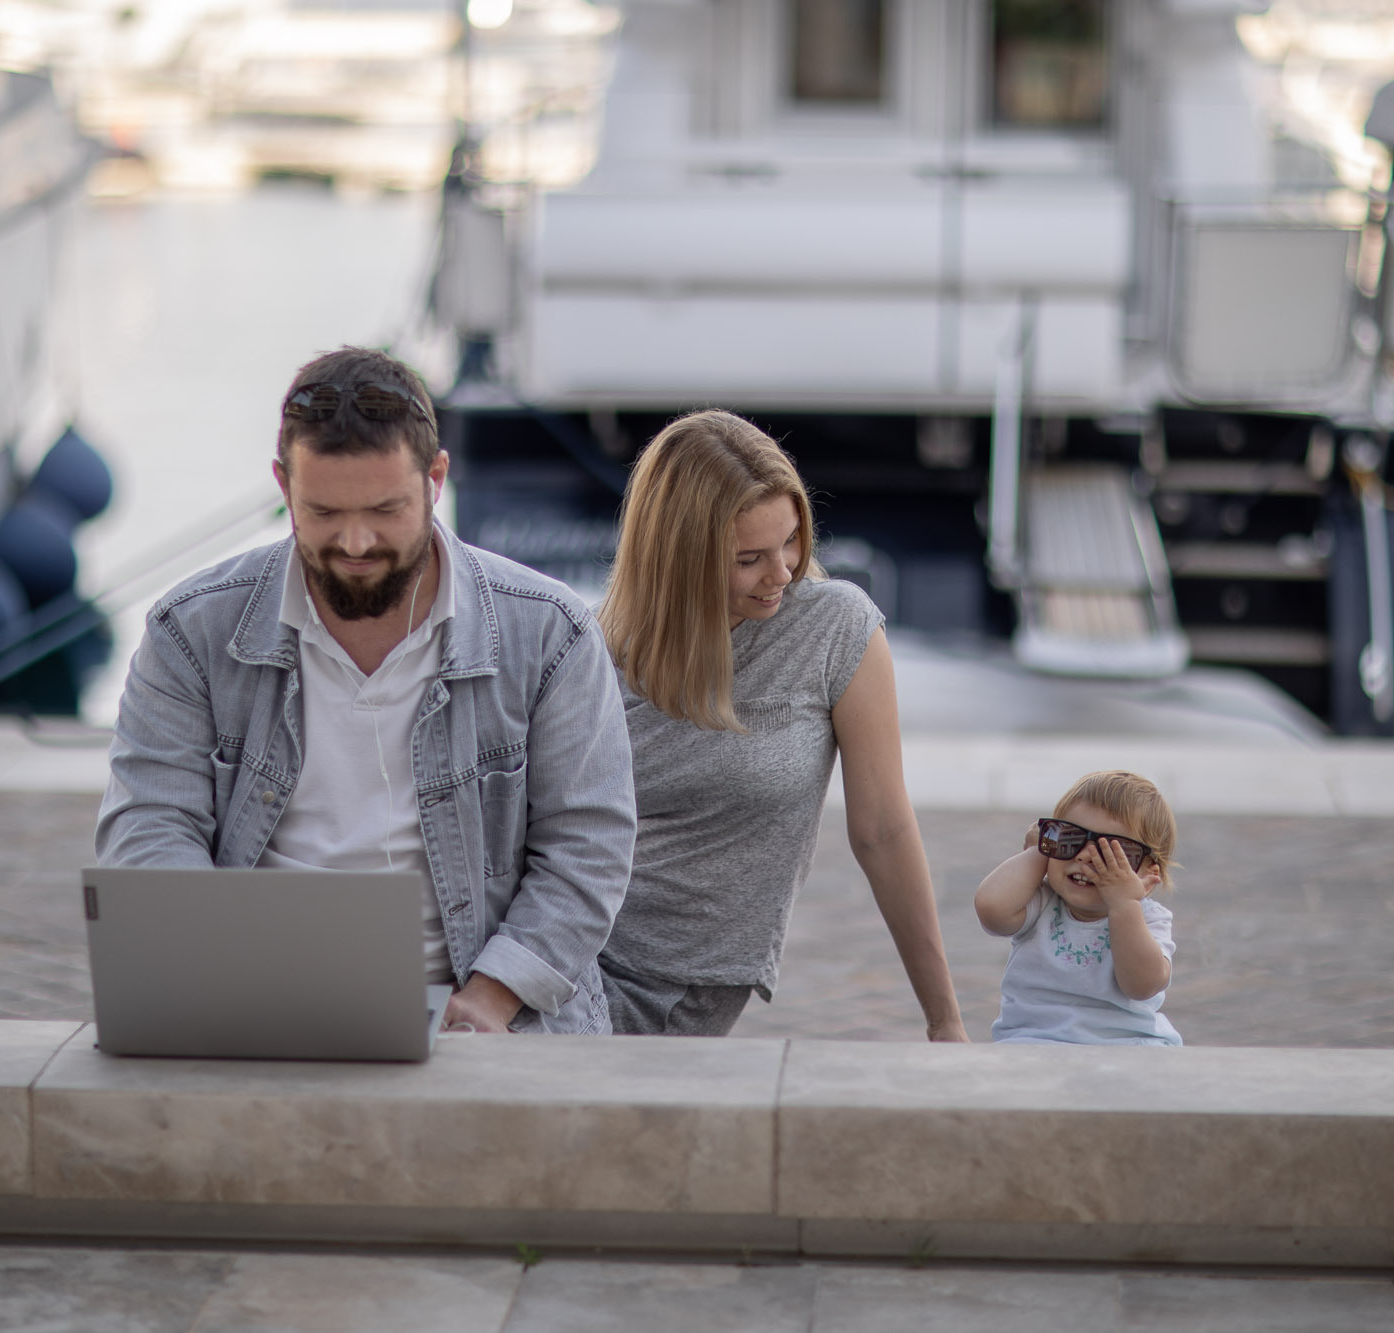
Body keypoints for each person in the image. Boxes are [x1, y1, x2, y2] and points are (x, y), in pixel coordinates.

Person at [95, 347, 635, 1035]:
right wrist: (217, 976)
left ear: (436, 479)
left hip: (495, 1005)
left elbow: (590, 844)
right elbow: (148, 826)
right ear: (282, 486)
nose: (355, 541)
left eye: (385, 509)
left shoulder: (550, 632)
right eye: (323, 512)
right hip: (252, 998)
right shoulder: (189, 631)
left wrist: (492, 996)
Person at [594, 410, 968, 1040]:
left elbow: (882, 830)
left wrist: (945, 1019)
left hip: (682, 989)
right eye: (749, 559)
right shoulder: (597, 648)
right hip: (570, 964)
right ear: (679, 556)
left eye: (791, 541)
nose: (783, 573)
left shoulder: (835, 628)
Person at [974, 770, 1182, 1045]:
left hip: (1127, 1047)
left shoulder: (1149, 918)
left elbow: (1142, 985)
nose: (1085, 856)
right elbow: (991, 911)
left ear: (1146, 877)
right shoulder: (1042, 902)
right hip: (1033, 1041)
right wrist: (1039, 852)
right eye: (1069, 838)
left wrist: (1124, 904)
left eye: (1112, 853)